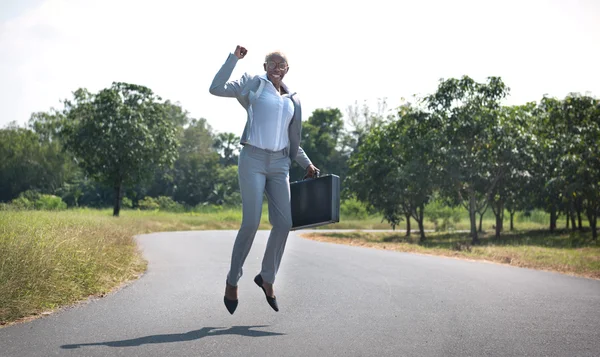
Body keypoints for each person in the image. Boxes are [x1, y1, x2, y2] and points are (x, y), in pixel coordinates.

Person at [209, 45, 319, 314]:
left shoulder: (293, 99)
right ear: (265, 66)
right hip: (253, 160)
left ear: (288, 69)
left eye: (281, 65)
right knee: (251, 222)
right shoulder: (253, 85)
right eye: (272, 63)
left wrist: (306, 163)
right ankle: (232, 279)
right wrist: (233, 59)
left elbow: (291, 140)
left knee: (284, 223)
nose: (277, 68)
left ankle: (267, 278)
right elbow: (216, 87)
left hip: (280, 163)